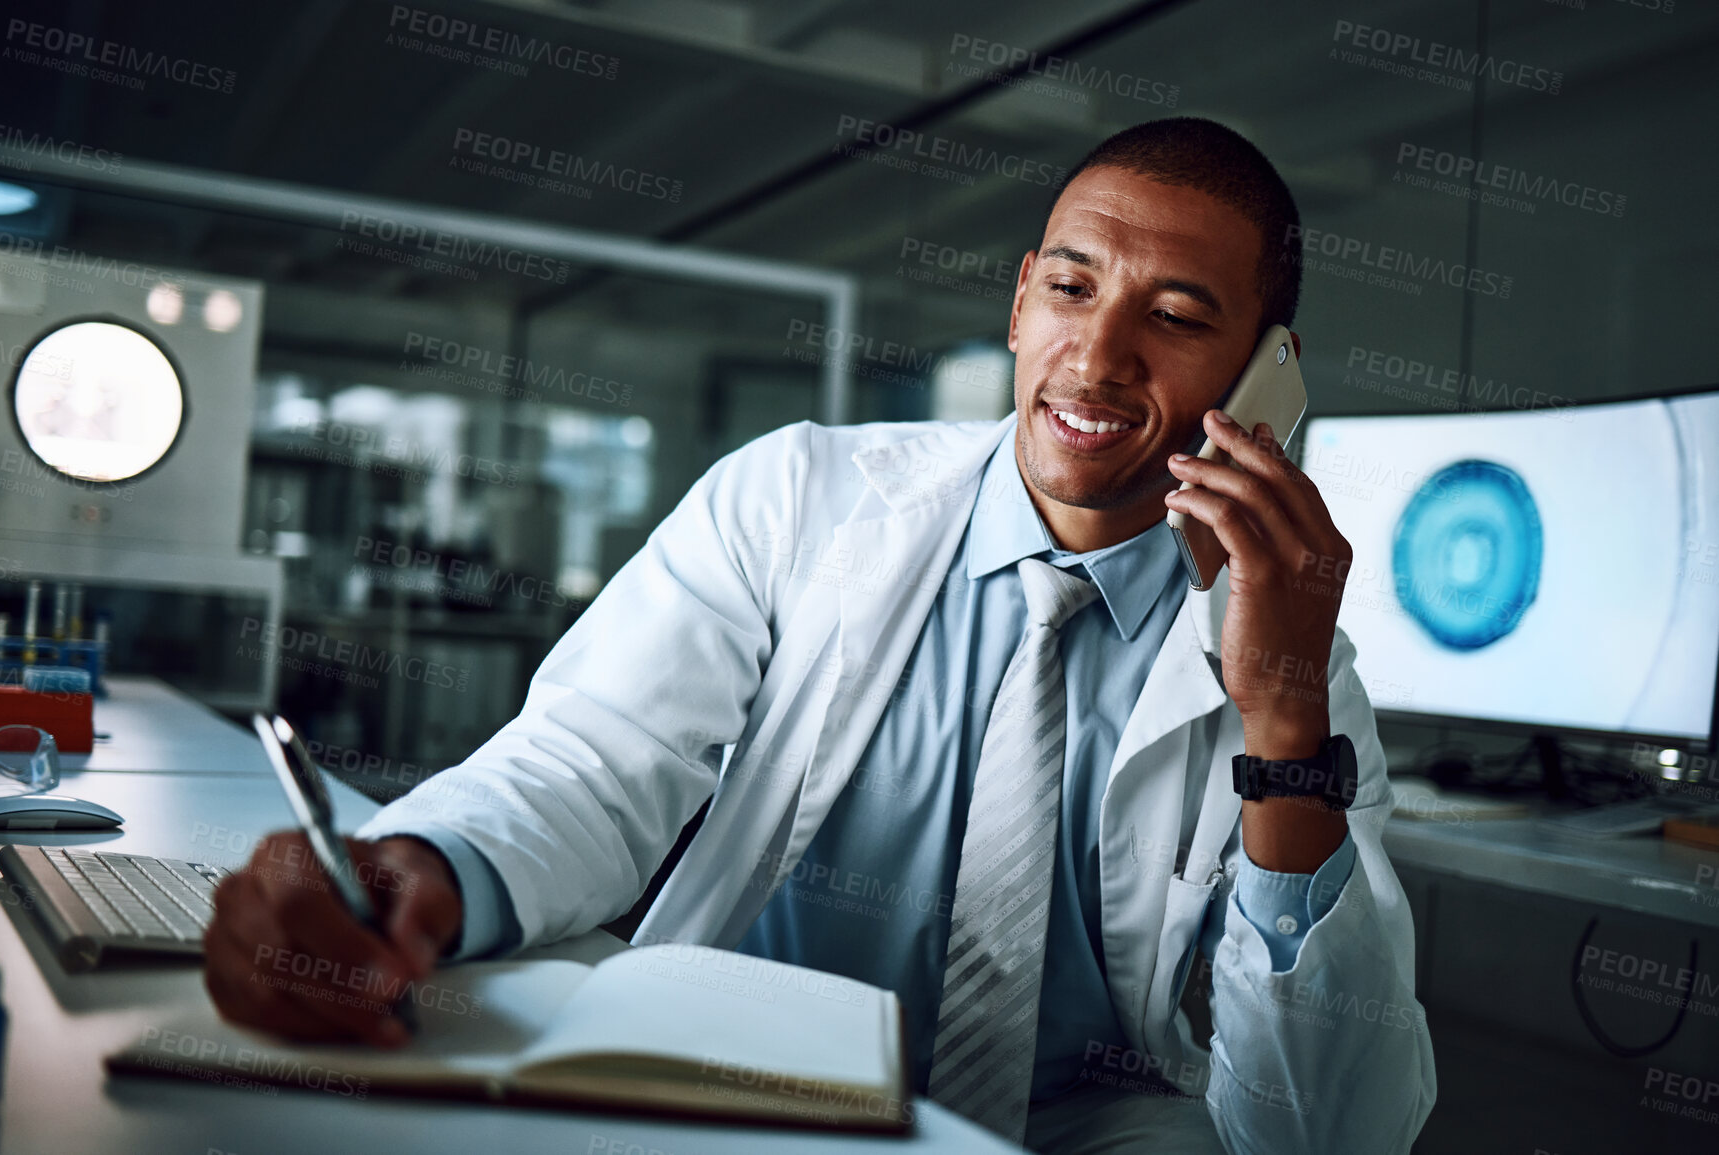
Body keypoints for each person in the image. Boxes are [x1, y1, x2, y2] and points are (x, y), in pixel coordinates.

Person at [205, 117, 1436, 1153]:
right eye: (1070, 289)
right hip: (742, 1104)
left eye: (1173, 315)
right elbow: (594, 761)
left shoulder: (1294, 666)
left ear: (1267, 372)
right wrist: (420, 870)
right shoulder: (795, 497)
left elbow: (1330, 1124)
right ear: (1019, 304)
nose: (1097, 356)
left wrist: (1281, 718)